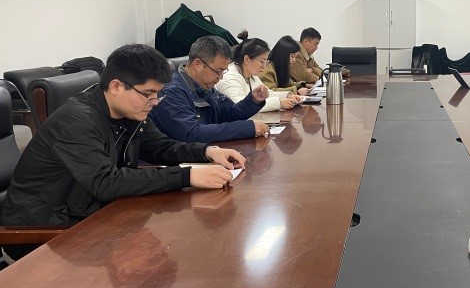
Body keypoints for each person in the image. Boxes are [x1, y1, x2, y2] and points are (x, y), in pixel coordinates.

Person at [0, 44, 245, 262]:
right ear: (116, 86)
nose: (155, 101)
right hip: (41, 231)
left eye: (158, 94)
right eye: (148, 94)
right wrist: (187, 176)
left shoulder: (129, 110)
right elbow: (106, 182)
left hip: (90, 211)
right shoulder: (76, 121)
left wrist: (207, 151)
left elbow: (160, 147)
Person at [151, 36, 270, 142]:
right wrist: (246, 128)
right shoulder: (171, 92)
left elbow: (228, 114)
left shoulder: (204, 86)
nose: (221, 77)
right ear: (197, 64)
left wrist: (253, 101)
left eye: (223, 71)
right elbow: (192, 133)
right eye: (218, 71)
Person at [216, 35, 301, 111]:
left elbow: (267, 94)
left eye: (266, 61)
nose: (264, 66)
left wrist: (287, 95)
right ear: (247, 59)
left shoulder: (252, 76)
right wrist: (279, 103)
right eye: (262, 61)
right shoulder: (229, 77)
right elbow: (239, 105)